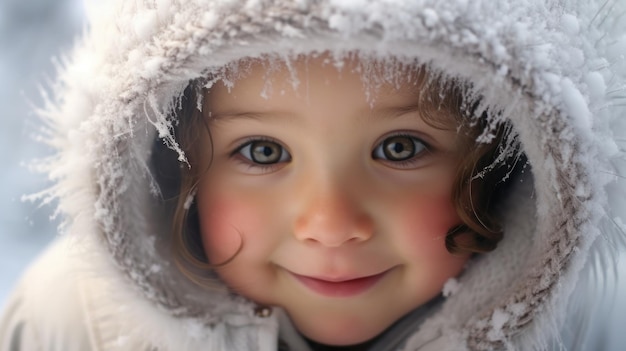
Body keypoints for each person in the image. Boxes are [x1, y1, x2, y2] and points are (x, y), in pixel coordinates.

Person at [0, 1, 624, 350]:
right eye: (263, 152)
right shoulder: (77, 326)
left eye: (400, 148)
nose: (330, 225)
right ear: (169, 167)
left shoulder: (588, 329)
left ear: (510, 164)